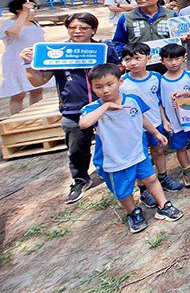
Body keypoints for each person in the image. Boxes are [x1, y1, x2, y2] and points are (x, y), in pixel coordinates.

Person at [22, 12, 121, 203]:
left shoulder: (104, 48)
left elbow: (118, 71)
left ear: (93, 30)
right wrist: (28, 63)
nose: (77, 31)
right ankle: (80, 179)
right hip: (73, 109)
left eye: (83, 28)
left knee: (115, 140)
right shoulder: (56, 51)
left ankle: (120, 172)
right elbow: (39, 80)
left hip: (105, 106)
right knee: (77, 149)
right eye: (73, 27)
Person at [79, 64, 183, 233]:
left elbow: (141, 117)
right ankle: (132, 212)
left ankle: (163, 205)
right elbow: (84, 124)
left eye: (109, 84)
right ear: (91, 88)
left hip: (138, 153)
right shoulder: (93, 109)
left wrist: (156, 133)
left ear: (120, 81)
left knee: (151, 179)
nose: (105, 90)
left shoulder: (133, 100)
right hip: (115, 160)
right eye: (98, 87)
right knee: (124, 190)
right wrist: (105, 106)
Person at [120, 42, 183, 204]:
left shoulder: (156, 78)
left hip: (156, 123)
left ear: (148, 58)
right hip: (135, 128)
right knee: (141, 157)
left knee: (159, 151)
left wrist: (164, 121)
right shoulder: (122, 83)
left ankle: (163, 177)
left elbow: (160, 102)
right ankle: (144, 190)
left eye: (137, 58)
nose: (133, 63)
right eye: (128, 59)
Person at [158, 43, 190, 187]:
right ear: (162, 61)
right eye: (169, 59)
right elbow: (160, 104)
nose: (173, 63)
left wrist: (186, 97)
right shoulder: (161, 81)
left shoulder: (189, 75)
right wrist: (165, 122)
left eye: (177, 58)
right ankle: (187, 169)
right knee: (180, 146)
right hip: (174, 121)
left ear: (184, 58)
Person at [0, 0, 45, 114]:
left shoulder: (34, 23)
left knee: (37, 89)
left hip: (33, 60)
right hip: (15, 61)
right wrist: (24, 13)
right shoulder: (9, 23)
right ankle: (17, 120)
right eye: (31, 8)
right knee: (18, 93)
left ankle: (36, 115)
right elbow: (13, 33)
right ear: (18, 10)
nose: (34, 10)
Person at [112, 0, 176, 57]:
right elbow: (118, 43)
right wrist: (127, 58)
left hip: (167, 64)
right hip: (138, 66)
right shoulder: (126, 18)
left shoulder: (171, 16)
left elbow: (179, 40)